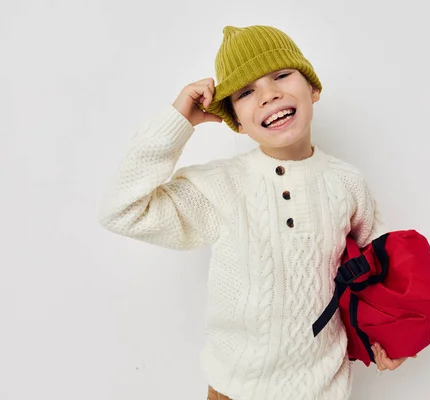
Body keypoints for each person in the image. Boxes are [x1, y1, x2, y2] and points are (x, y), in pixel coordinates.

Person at [99, 25, 412, 400]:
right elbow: (123, 210)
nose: (269, 95)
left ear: (312, 88)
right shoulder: (222, 185)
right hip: (236, 391)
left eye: (281, 75)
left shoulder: (347, 183)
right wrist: (177, 123)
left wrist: (393, 336)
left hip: (324, 390)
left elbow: (383, 267)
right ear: (235, 120)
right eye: (246, 92)